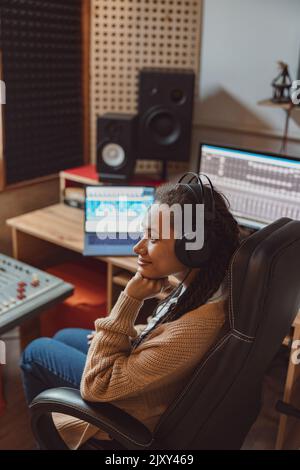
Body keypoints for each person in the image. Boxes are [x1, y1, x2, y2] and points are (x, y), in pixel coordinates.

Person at [20, 179, 241, 449]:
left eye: (154, 238)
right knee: (65, 335)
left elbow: (97, 386)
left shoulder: (193, 329)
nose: (138, 247)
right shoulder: (210, 287)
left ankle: (49, 441)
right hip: (150, 380)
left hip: (132, 409)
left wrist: (130, 298)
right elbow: (161, 336)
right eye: (143, 233)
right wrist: (126, 334)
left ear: (194, 248)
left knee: (36, 351)